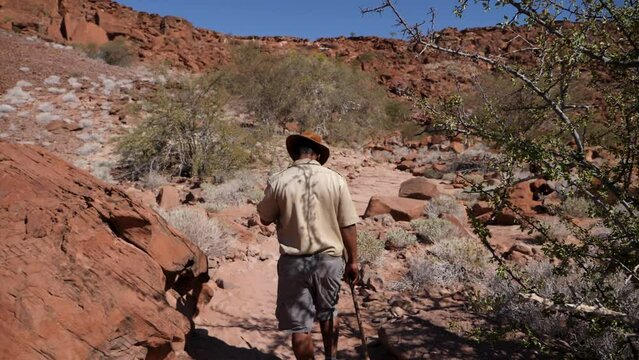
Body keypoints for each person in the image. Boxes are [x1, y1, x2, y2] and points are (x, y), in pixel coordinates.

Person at [257, 131, 360, 360]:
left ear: (294, 154)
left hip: (294, 263)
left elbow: (264, 218)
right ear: (317, 154)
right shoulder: (336, 180)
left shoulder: (278, 180)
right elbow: (348, 225)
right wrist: (353, 261)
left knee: (299, 326)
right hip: (330, 261)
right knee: (329, 312)